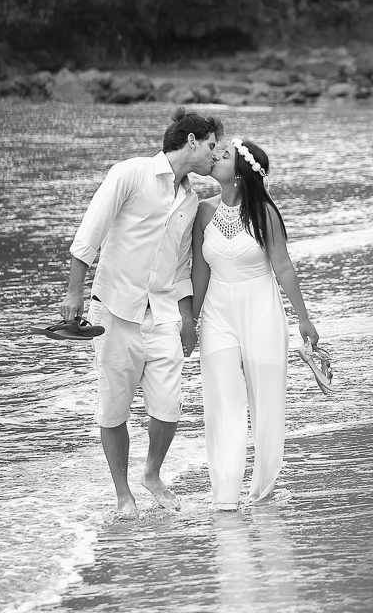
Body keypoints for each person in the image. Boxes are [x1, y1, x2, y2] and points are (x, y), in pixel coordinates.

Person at [60, 107, 225, 518]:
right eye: (211, 146)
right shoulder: (130, 173)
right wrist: (74, 291)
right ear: (191, 141)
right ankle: (123, 495)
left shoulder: (191, 197)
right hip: (114, 310)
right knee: (114, 406)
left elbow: (183, 263)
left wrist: (189, 319)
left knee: (169, 405)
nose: (214, 155)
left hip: (165, 313)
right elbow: (91, 231)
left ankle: (151, 472)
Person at [192, 137, 319, 511]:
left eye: (224, 155)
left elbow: (282, 266)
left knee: (266, 401)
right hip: (218, 312)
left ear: (241, 174)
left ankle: (261, 487)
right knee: (222, 402)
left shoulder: (265, 213)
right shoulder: (203, 211)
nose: (215, 156)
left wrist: (304, 319)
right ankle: (226, 494)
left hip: (262, 309)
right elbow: (201, 270)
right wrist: (190, 320)